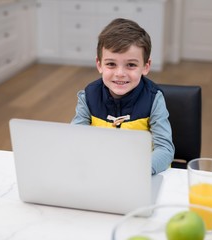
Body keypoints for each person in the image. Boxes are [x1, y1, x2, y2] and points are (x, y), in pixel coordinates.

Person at [71, 18, 174, 175]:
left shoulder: (154, 99)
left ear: (146, 67)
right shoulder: (88, 97)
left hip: (143, 176)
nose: (120, 74)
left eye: (131, 65)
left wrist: (137, 171)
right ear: (99, 65)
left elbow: (165, 149)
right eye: (111, 64)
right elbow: (75, 139)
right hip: (100, 173)